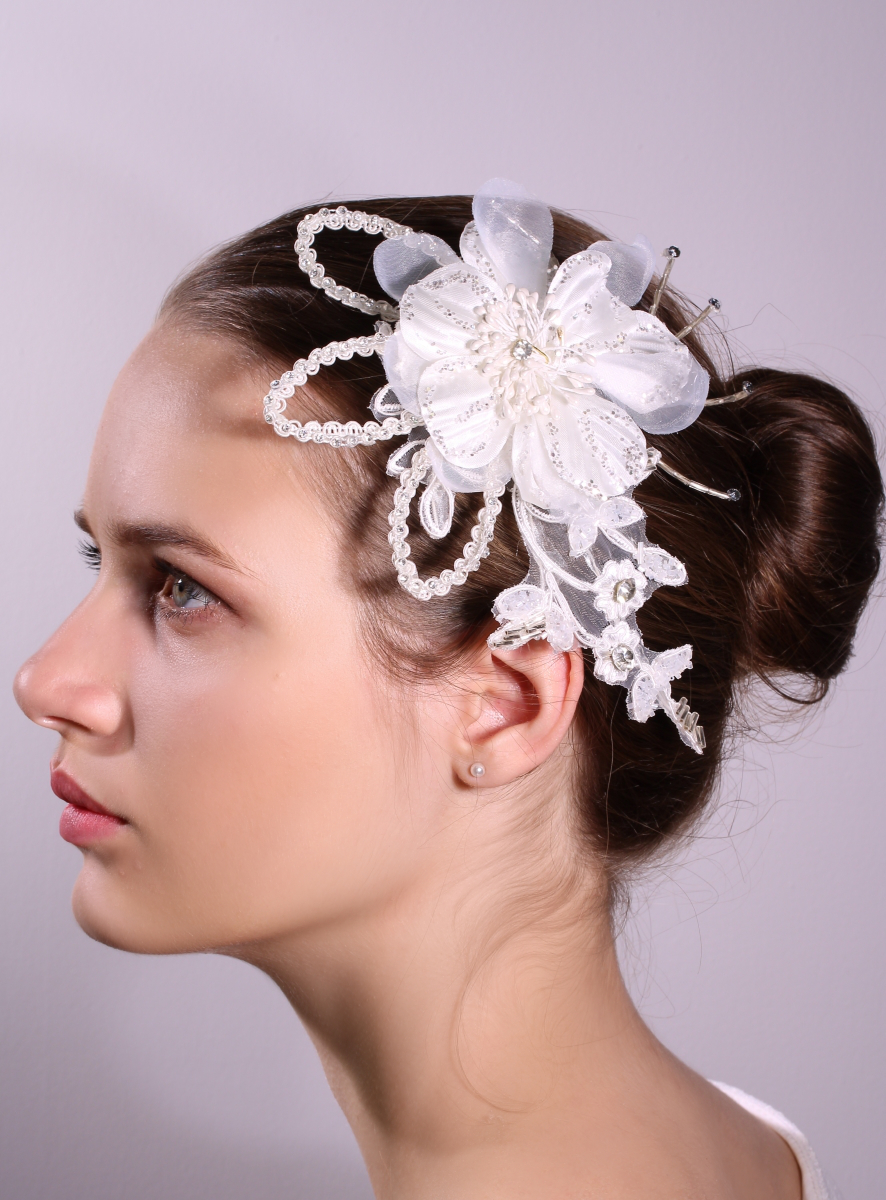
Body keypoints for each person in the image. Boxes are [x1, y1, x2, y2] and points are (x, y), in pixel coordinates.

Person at [14, 182, 882, 1200]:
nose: (47, 682)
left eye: (184, 589)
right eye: (97, 562)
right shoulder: (743, 1149)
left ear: (505, 703)